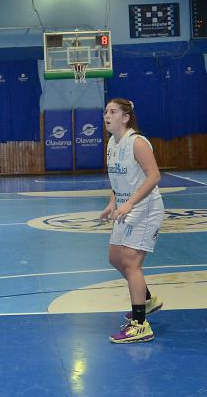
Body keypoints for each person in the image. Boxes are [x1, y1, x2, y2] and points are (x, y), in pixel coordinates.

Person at [99, 98, 164, 344]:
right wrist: (113, 202)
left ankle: (140, 325)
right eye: (106, 111)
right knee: (114, 257)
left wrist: (130, 203)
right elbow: (117, 179)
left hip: (145, 208)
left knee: (130, 262)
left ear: (125, 117)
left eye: (113, 111)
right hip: (126, 208)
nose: (107, 115)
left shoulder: (136, 142)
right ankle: (146, 300)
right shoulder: (112, 143)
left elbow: (154, 175)